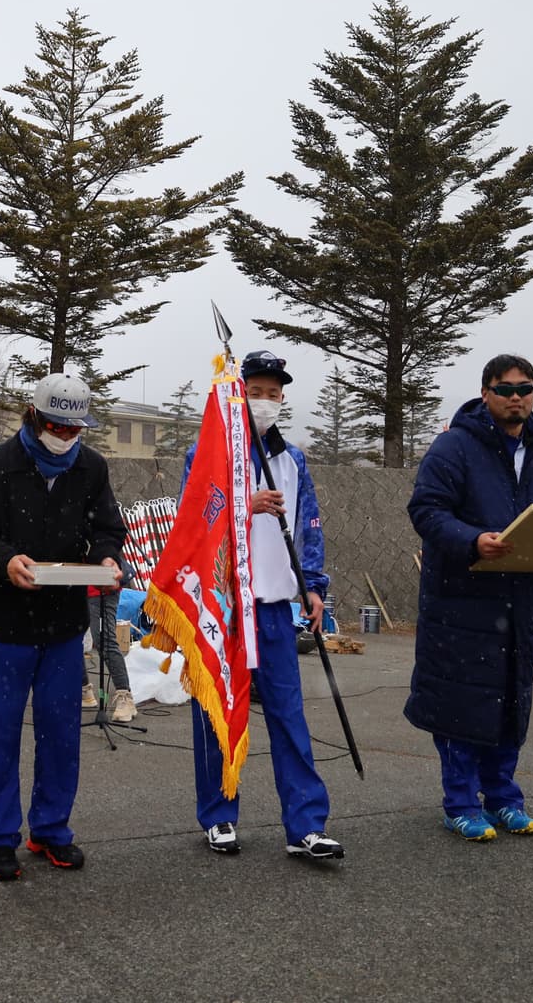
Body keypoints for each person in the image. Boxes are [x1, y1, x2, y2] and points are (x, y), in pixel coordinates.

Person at [406, 354, 533, 842]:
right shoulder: (454, 447)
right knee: (462, 705)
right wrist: (473, 540)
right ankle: (460, 803)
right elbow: (426, 509)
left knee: (510, 701)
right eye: (506, 389)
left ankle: (503, 796)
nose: (516, 397)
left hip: (521, 602)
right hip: (460, 603)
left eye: (525, 389)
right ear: (485, 392)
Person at [179, 350, 342, 862]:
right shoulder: (207, 453)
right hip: (225, 606)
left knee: (289, 717)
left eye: (274, 393)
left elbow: (308, 524)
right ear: (237, 392)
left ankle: (306, 825)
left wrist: (313, 586)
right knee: (216, 713)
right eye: (256, 391)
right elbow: (193, 521)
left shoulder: (292, 459)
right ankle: (219, 815)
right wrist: (243, 504)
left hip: (274, 608)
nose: (265, 401)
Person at [0, 372, 126, 882]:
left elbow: (106, 528)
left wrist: (106, 561)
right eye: (57, 425)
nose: (66, 436)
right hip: (7, 626)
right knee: (2, 734)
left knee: (61, 733)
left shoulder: (92, 468)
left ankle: (51, 829)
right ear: (34, 417)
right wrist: (5, 560)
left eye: (75, 428)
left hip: (63, 626)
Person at [80, 559, 137, 722]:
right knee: (72, 640)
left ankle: (124, 696)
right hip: (76, 587)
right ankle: (85, 690)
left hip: (102, 588)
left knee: (105, 641)